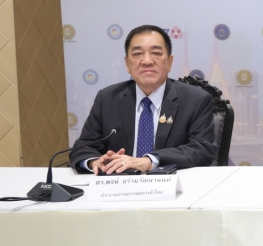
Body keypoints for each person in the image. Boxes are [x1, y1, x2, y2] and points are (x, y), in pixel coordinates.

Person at [70, 25, 217, 174]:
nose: (147, 61)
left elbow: (201, 149)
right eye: (138, 54)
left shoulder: (195, 100)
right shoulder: (107, 99)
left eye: (156, 53)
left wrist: (149, 161)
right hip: (119, 184)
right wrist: (95, 162)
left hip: (172, 183)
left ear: (169, 62)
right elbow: (83, 147)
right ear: (127, 64)